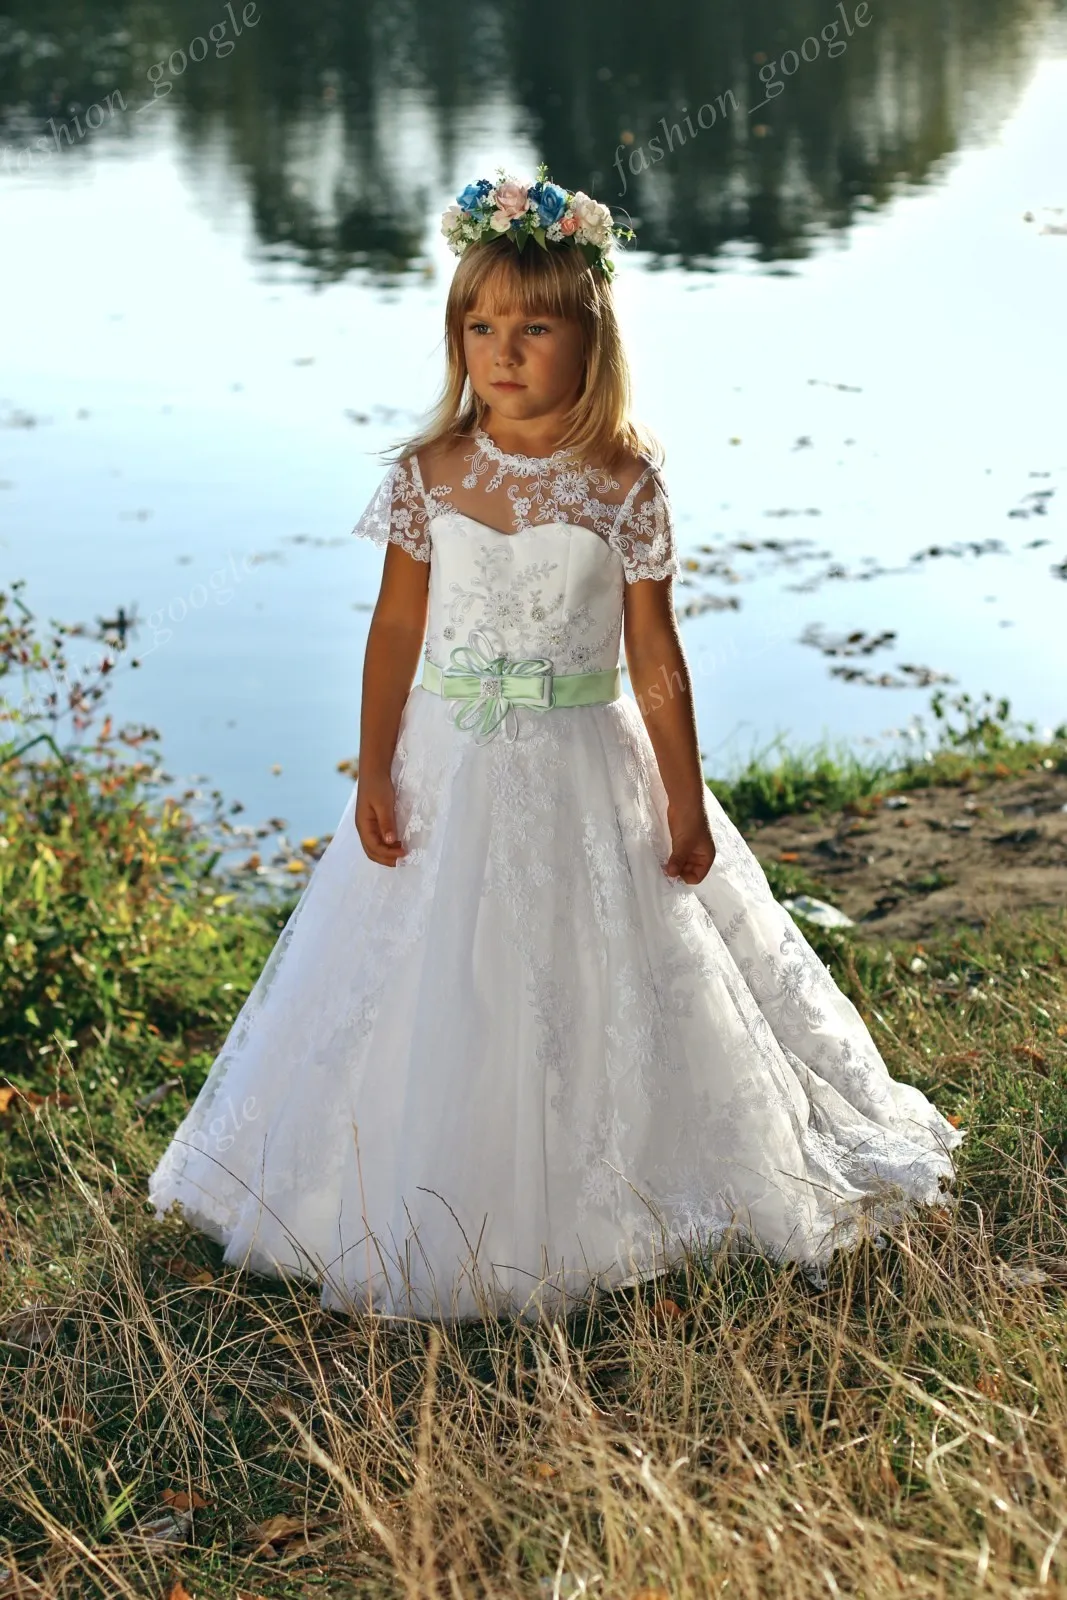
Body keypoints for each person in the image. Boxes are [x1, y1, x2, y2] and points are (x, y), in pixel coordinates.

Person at [148, 166, 963, 1323]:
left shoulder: (623, 482)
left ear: (590, 336)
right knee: (428, 971)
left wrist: (682, 799)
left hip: (586, 760)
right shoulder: (428, 476)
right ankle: (382, 1182)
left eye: (533, 328)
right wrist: (372, 765)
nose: (504, 351)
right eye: (480, 327)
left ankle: (618, 1183)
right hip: (445, 761)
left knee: (593, 970)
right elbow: (394, 631)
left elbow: (654, 654)